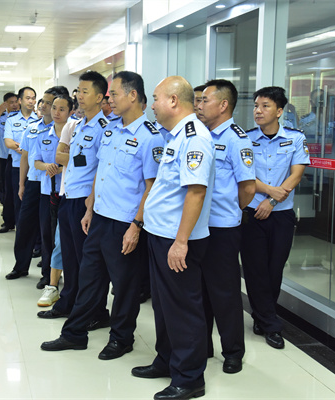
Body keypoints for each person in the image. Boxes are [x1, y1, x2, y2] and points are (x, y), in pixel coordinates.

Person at [40, 71, 165, 361]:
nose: (110, 99)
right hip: (99, 217)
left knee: (124, 286)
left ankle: (121, 338)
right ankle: (74, 334)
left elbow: (151, 186)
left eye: (114, 94)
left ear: (132, 95)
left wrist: (137, 225)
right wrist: (90, 208)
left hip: (125, 223)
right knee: (89, 278)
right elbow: (101, 172)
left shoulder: (150, 137)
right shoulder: (111, 130)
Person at [131, 76, 214, 400]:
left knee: (183, 308)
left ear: (174, 101)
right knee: (164, 306)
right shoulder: (176, 135)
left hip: (177, 239)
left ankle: (190, 378)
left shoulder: (195, 138)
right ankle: (166, 360)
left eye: (156, 98)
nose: (152, 105)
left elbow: (196, 192)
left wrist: (181, 242)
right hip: (161, 233)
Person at [37, 71, 111, 323]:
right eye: (78, 91)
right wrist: (76, 160)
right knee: (69, 255)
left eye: (85, 91)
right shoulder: (76, 125)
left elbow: (98, 167)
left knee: (87, 261)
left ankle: (94, 311)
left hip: (85, 200)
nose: (79, 95)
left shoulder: (105, 129)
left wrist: (90, 203)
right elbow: (60, 157)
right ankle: (68, 302)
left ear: (100, 97)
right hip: (68, 196)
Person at [240, 86, 310, 350]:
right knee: (255, 269)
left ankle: (262, 316)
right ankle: (271, 325)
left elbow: (296, 174)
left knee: (274, 269)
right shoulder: (246, 139)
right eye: (256, 106)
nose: (258, 111)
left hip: (281, 215)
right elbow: (245, 175)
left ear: (279, 111)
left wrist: (271, 201)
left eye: (265, 106)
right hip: (252, 213)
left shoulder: (295, 138)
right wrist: (270, 192)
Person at [196, 79, 255, 373]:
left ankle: (232, 352)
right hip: (198, 226)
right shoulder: (200, 135)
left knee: (225, 292)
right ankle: (202, 346)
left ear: (223, 105)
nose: (199, 105)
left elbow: (248, 188)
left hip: (222, 227)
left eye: (204, 100)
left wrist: (231, 210)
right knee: (199, 291)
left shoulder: (236, 139)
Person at [5, 87, 65, 284]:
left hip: (52, 186)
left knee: (48, 231)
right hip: (33, 182)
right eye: (43, 102)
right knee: (24, 225)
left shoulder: (65, 129)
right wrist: (21, 184)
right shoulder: (32, 128)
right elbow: (25, 157)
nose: (43, 105)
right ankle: (20, 266)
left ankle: (48, 274)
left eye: (49, 103)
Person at [34, 95, 73, 292]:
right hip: (46, 191)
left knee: (64, 237)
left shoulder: (75, 133)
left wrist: (60, 168)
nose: (56, 112)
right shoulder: (43, 134)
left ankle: (67, 275)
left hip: (68, 193)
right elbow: (36, 162)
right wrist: (47, 166)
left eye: (62, 109)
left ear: (70, 112)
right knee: (47, 234)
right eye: (54, 108)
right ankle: (47, 275)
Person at [4, 87, 39, 228]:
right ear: (20, 100)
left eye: (33, 98)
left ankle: (34, 238)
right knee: (18, 201)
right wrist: (25, 149)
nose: (31, 101)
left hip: (35, 169)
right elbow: (8, 142)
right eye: (27, 98)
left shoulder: (39, 120)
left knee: (34, 205)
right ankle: (21, 232)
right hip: (17, 167)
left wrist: (24, 149)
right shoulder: (11, 120)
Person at [0, 93, 19, 230]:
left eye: (16, 102)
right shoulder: (2, 117)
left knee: (18, 190)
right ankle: (8, 220)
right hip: (4, 157)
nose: (14, 105)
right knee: (6, 190)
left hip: (19, 157)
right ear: (5, 104)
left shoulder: (22, 117)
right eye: (11, 102)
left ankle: (18, 219)